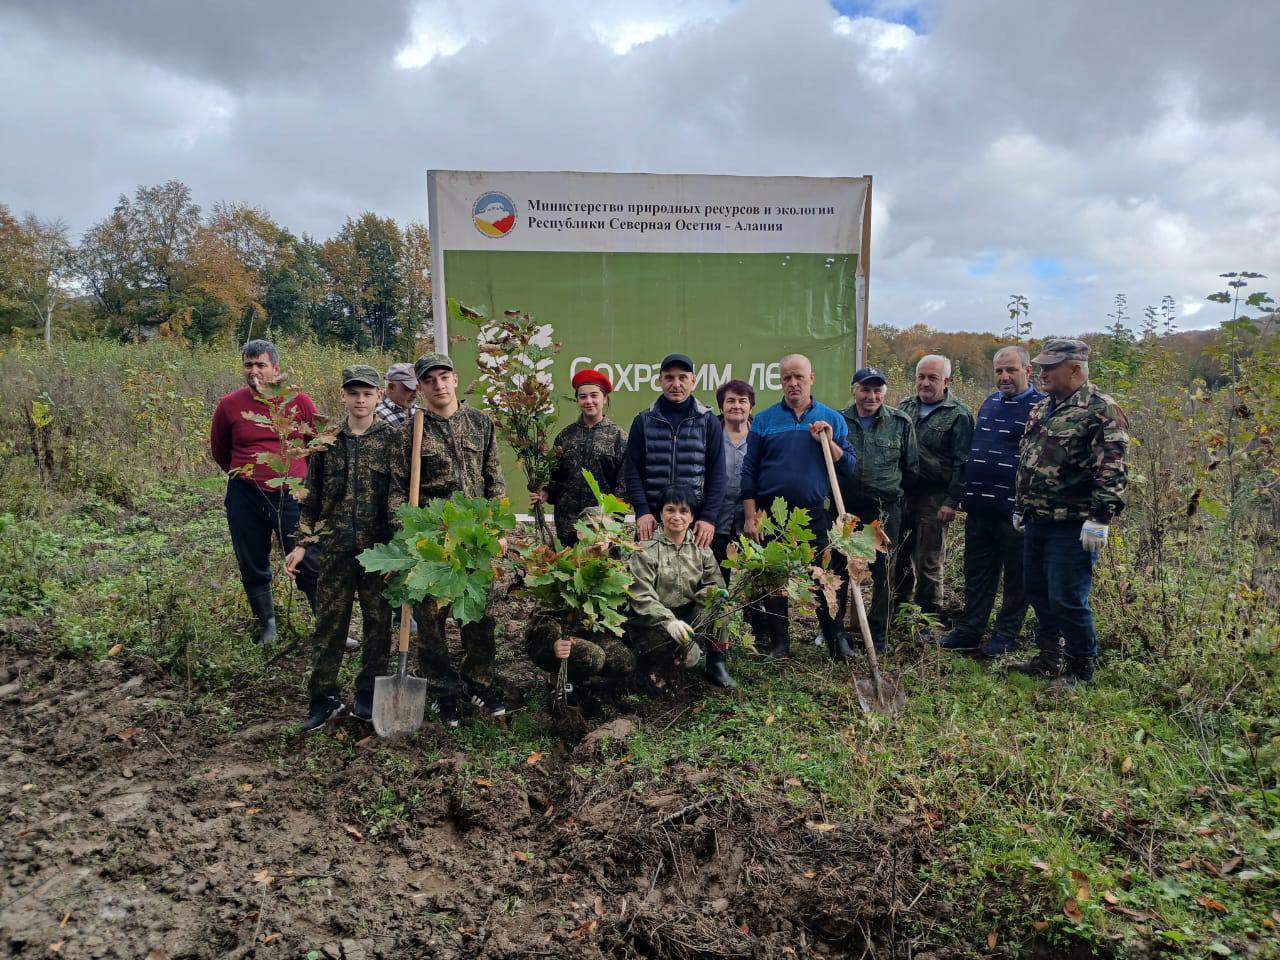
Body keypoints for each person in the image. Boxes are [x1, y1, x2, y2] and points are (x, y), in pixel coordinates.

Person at [388, 352, 507, 726]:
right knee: (431, 621)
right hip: (432, 544)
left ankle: (478, 682)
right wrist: (409, 536)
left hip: (474, 539)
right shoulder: (409, 431)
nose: (438, 385)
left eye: (444, 377)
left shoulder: (480, 424)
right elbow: (396, 490)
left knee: (480, 618)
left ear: (455, 379)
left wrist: (495, 531)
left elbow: (495, 480)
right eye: (430, 380)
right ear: (420, 387)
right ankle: (442, 691)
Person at [287, 366, 401, 732]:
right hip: (335, 549)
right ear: (342, 396)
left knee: (378, 623)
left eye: (367, 393)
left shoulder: (393, 440)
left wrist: (400, 550)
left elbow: (399, 497)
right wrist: (303, 543)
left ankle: (368, 693)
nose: (360, 399)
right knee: (329, 624)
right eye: (354, 393)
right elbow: (312, 495)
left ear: (378, 396)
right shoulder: (327, 441)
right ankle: (324, 697)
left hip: (378, 550)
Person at [1010, 339, 1129, 689]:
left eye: (1050, 367)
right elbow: (1029, 458)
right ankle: (1049, 656)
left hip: (1074, 523)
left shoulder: (1100, 410)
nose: (1042, 373)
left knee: (1067, 597)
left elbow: (1114, 467)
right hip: (1037, 518)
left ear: (1075, 369)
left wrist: (1100, 519)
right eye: (1041, 366)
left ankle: (1080, 668)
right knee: (1036, 590)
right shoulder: (1042, 407)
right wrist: (1020, 505)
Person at [740, 355, 856, 660]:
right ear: (780, 382)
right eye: (787, 378)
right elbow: (749, 470)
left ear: (811, 378)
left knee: (824, 577)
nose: (793, 383)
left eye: (799, 377)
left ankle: (836, 642)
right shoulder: (764, 420)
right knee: (776, 579)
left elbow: (850, 467)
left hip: (814, 514)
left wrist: (828, 441)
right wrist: (751, 516)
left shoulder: (833, 419)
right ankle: (780, 645)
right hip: (771, 515)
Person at [210, 339, 320, 645]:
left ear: (276, 368)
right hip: (246, 495)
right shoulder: (229, 405)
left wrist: (300, 479)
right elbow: (220, 450)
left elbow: (316, 445)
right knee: (252, 559)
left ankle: (324, 623)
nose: (254, 371)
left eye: (260, 364)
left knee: (308, 556)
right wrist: (248, 475)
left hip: (292, 495)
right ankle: (267, 624)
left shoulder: (299, 402)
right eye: (248, 365)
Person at [939, 347, 1045, 655]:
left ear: (1028, 370)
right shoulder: (990, 403)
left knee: (1016, 578)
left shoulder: (1041, 407)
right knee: (977, 574)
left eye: (1011, 370)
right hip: (980, 509)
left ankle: (1005, 634)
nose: (1004, 377)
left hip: (1015, 512)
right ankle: (971, 629)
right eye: (999, 371)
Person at [839, 367, 919, 654]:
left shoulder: (900, 422)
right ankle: (837, 631)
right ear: (854, 390)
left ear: (884, 392)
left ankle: (877, 632)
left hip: (885, 512)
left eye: (877, 390)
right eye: (865, 389)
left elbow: (911, 469)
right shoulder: (839, 420)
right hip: (846, 511)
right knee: (840, 569)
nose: (871, 396)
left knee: (884, 572)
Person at [626, 484, 736, 688]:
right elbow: (641, 596)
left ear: (692, 516)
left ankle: (717, 664)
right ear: (660, 513)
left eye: (684, 511)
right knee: (683, 658)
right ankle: (651, 665)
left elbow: (715, 584)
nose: (677, 516)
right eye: (670, 510)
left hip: (687, 617)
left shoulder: (701, 548)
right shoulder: (645, 550)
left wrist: (709, 595)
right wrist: (669, 622)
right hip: (652, 623)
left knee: (721, 603)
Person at [896, 355, 974, 616]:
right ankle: (900, 609)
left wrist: (952, 501)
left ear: (946, 381)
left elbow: (962, 462)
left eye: (933, 378)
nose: (926, 383)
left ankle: (929, 614)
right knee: (899, 553)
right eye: (921, 377)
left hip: (935, 497)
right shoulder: (904, 407)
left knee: (928, 559)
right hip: (904, 494)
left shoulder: (959, 414)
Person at [622, 353, 726, 549]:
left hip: (694, 525)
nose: (676, 384)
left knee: (693, 579)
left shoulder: (709, 422)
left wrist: (709, 517)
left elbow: (718, 474)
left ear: (693, 381)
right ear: (660, 380)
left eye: (683, 378)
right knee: (647, 578)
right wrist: (642, 511)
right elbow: (632, 471)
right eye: (669, 377)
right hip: (651, 522)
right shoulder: (643, 421)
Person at [531, 368, 627, 546]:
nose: (589, 401)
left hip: (601, 529)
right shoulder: (565, 436)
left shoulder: (618, 437)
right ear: (577, 400)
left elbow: (624, 485)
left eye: (594, 395)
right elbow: (556, 476)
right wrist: (546, 492)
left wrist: (610, 521)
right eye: (583, 397)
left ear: (604, 399)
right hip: (568, 525)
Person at [711, 379, 754, 565]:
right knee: (716, 584)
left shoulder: (761, 436)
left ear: (751, 407)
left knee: (754, 584)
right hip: (715, 523)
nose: (736, 406)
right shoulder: (709, 435)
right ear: (721, 407)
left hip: (752, 524)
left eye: (742, 401)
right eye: (730, 401)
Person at [374, 362, 419, 426]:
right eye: (408, 389)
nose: (415, 395)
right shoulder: (379, 416)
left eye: (416, 388)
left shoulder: (417, 409)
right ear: (391, 387)